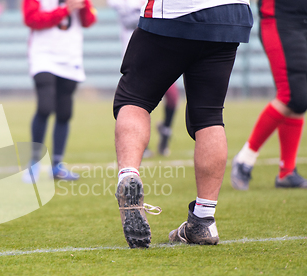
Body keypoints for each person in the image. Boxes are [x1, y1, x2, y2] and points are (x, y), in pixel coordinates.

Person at [113, 1, 253, 248]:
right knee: (209, 116)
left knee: (134, 99)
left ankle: (129, 176)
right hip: (228, 15)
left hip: (175, 13)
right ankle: (203, 220)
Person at [231, 0, 307, 190]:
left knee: (301, 95)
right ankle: (245, 159)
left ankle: (287, 172)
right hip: (281, 18)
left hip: (300, 18)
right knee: (292, 95)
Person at [22, 0, 97, 181]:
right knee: (45, 107)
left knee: (64, 112)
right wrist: (63, 10)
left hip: (70, 57)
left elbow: (89, 21)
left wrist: (83, 5)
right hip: (43, 56)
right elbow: (31, 19)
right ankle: (34, 162)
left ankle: (57, 165)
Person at [108, 0, 179, 157]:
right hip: (136, 55)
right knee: (140, 102)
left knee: (173, 98)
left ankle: (165, 133)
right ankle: (140, 144)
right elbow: (128, 19)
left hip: (161, 53)